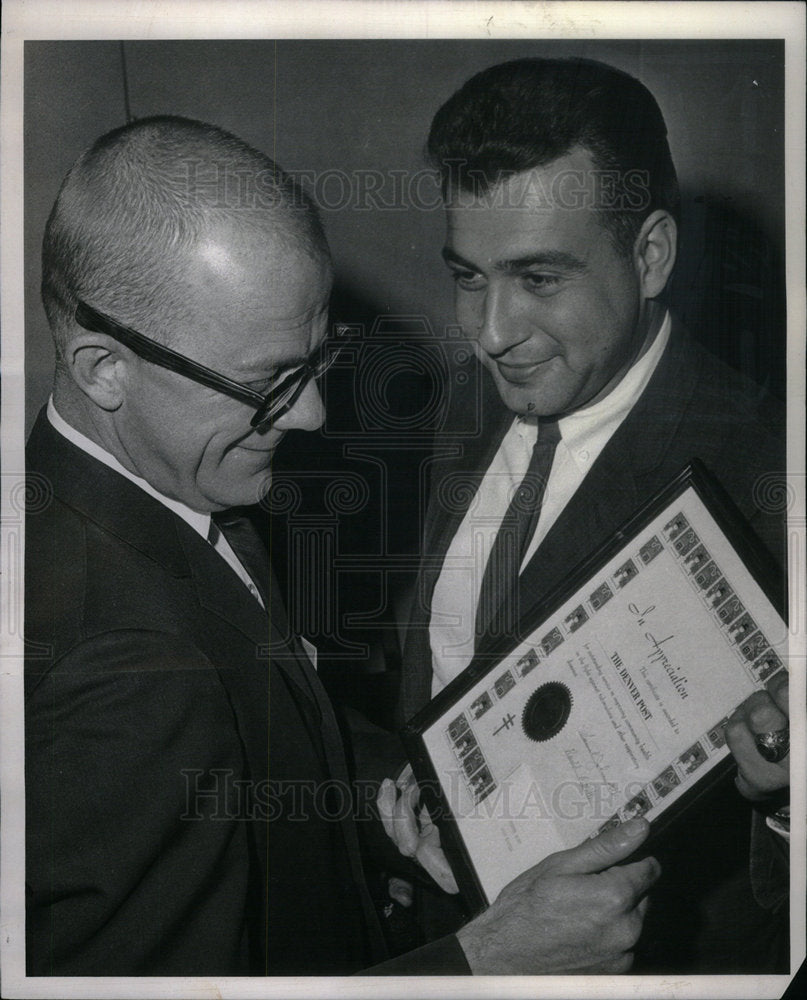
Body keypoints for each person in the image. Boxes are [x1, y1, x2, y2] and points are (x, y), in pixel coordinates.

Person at [24, 114, 661, 977]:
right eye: (267, 384)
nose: (312, 415)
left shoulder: (154, 488)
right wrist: (484, 962)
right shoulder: (127, 674)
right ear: (104, 368)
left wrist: (398, 797)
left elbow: (263, 727)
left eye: (316, 362)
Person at [387, 57, 790, 973]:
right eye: (466, 276)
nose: (490, 331)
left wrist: (787, 801)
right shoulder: (464, 405)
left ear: (650, 255)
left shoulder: (772, 478)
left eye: (537, 278)